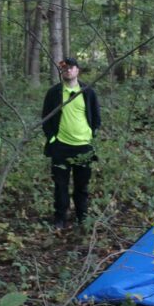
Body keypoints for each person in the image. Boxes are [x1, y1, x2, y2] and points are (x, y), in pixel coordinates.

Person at [42, 57, 101, 229]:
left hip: (84, 147)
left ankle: (82, 217)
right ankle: (60, 218)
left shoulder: (88, 92)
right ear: (61, 72)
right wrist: (52, 138)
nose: (67, 70)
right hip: (60, 147)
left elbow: (96, 117)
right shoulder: (54, 93)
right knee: (60, 185)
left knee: (82, 185)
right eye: (64, 68)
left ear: (77, 70)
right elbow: (46, 118)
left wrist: (92, 134)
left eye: (71, 68)